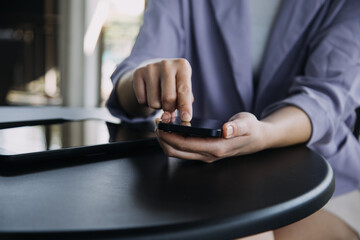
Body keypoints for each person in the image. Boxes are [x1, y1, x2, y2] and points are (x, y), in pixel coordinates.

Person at [107, 0, 360, 239]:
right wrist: (145, 80)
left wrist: (264, 133)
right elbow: (139, 67)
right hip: (206, 181)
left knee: (239, 230)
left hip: (329, 182)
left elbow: (326, 97)